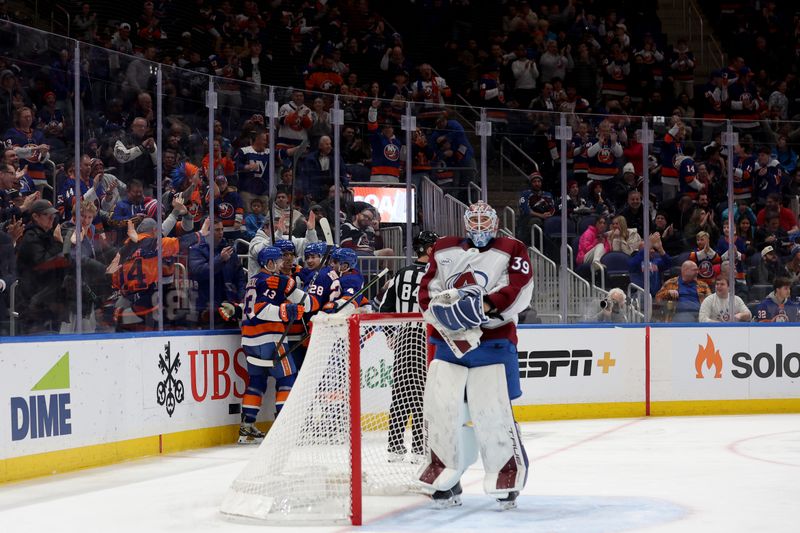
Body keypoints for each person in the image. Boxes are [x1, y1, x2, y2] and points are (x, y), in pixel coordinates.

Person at [417, 201, 532, 510]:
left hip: (493, 345)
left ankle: (506, 472)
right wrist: (443, 314)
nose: (480, 226)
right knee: (444, 412)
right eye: (475, 220)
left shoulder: (512, 248)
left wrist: (483, 308)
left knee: (492, 411)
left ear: (495, 223)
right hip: (448, 345)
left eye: (485, 220)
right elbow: (427, 291)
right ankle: (446, 476)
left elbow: (520, 289)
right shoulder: (444, 249)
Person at [238, 246, 310, 443]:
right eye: (278, 260)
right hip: (270, 338)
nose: (281, 263)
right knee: (287, 378)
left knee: (257, 381)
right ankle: (283, 428)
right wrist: (285, 311)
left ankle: (247, 428)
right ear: (269, 263)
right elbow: (261, 309)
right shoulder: (272, 280)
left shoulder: (253, 280)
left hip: (249, 340)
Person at [378, 230, 438, 462]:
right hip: (426, 339)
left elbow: (385, 308)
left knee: (401, 392)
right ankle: (419, 447)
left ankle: (394, 447)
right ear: (429, 249)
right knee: (424, 392)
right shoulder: (436, 275)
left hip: (404, 337)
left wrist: (391, 334)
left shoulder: (401, 273)